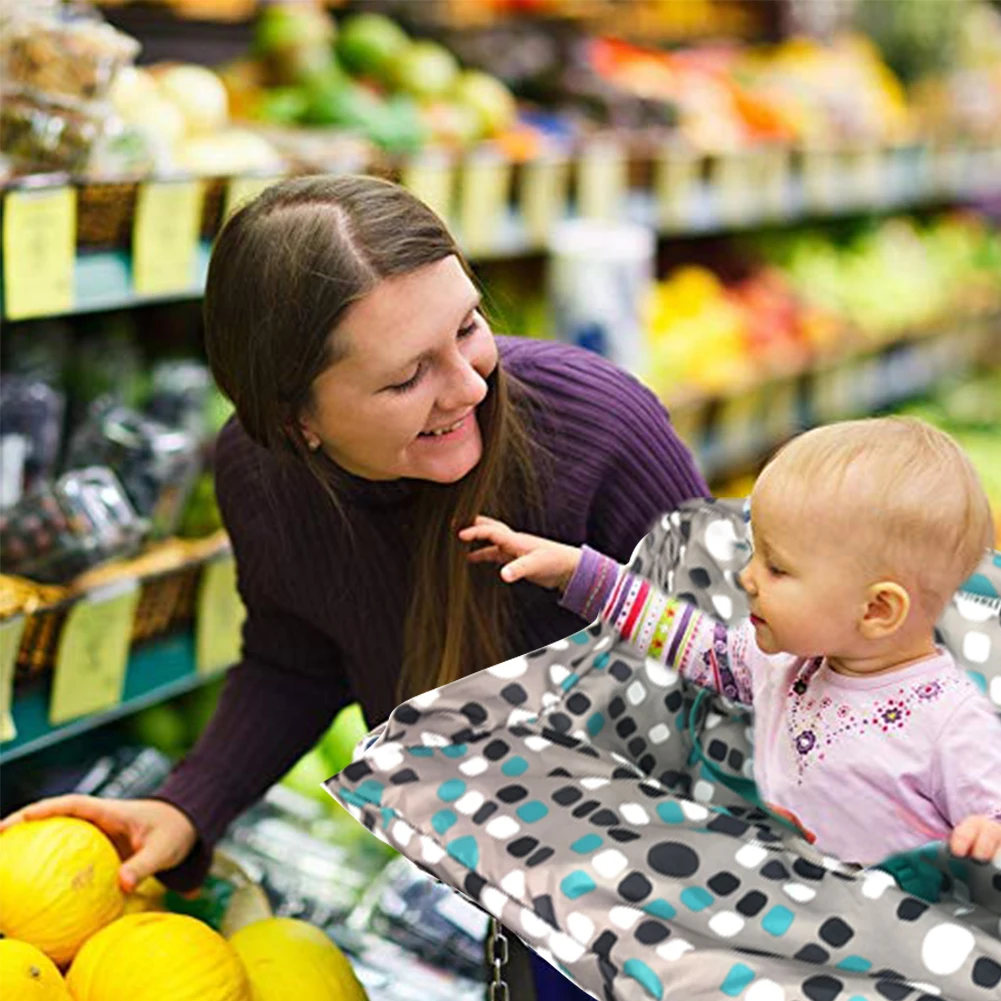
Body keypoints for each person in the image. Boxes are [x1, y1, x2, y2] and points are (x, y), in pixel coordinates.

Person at [0, 175, 709, 999]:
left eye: (469, 326)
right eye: (407, 376)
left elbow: (733, 668)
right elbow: (295, 657)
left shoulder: (595, 428)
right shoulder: (263, 476)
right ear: (299, 418)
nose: (471, 386)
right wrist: (190, 803)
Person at [460, 416, 1001, 866]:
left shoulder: (951, 726)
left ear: (877, 609)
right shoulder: (792, 664)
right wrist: (576, 572)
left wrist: (984, 837)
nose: (746, 577)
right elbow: (680, 635)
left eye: (777, 568)